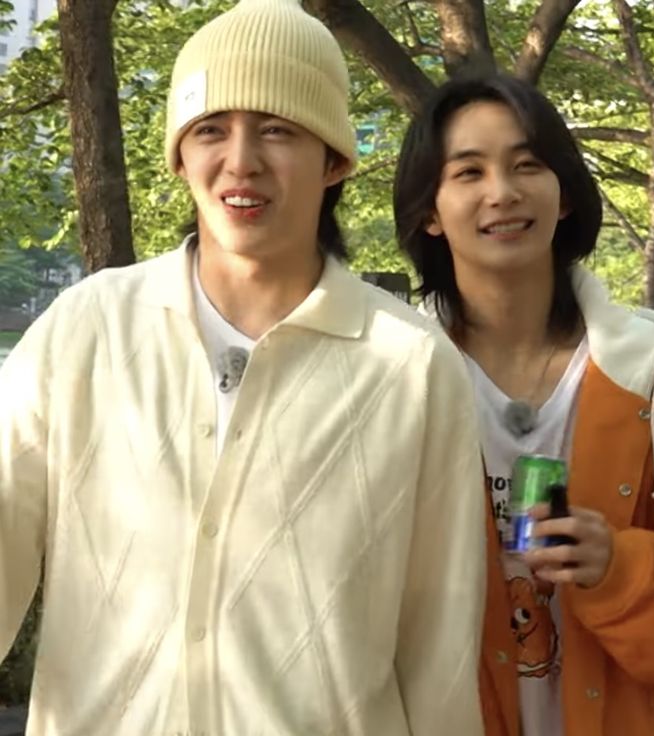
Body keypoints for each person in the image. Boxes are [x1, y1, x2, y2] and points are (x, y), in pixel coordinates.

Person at [0, 2, 487, 734]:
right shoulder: (89, 329)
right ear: (179, 156)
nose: (241, 161)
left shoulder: (410, 364)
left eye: (278, 130)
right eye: (210, 130)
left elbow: (440, 644)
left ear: (334, 160)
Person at [393, 72, 654, 736]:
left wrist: (620, 566)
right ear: (430, 210)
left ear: (565, 195)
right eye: (469, 172)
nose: (503, 192)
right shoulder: (393, 387)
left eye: (528, 164)